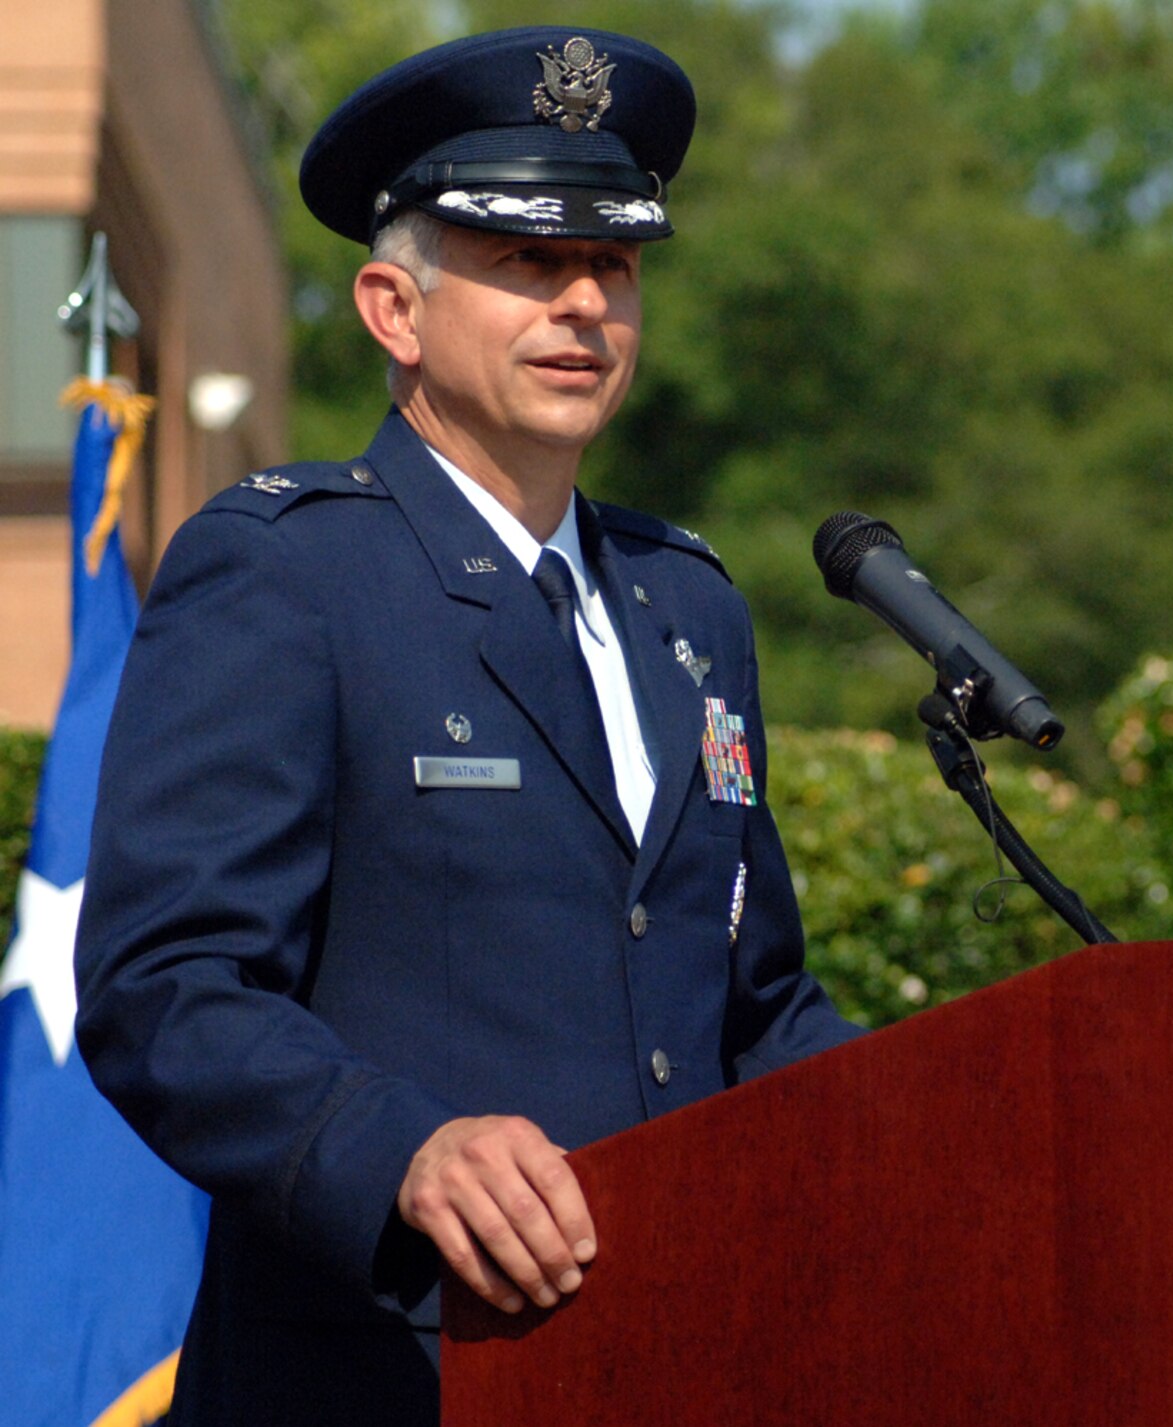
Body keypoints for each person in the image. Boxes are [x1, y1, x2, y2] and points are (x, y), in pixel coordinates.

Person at [73, 26, 862, 1424]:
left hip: (671, 1366)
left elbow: (754, 1006)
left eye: (612, 267)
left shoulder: (690, 608)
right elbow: (167, 985)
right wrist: (403, 1150)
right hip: (386, 1373)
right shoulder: (289, 573)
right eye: (524, 264)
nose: (582, 307)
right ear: (394, 310)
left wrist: (964, 1133)